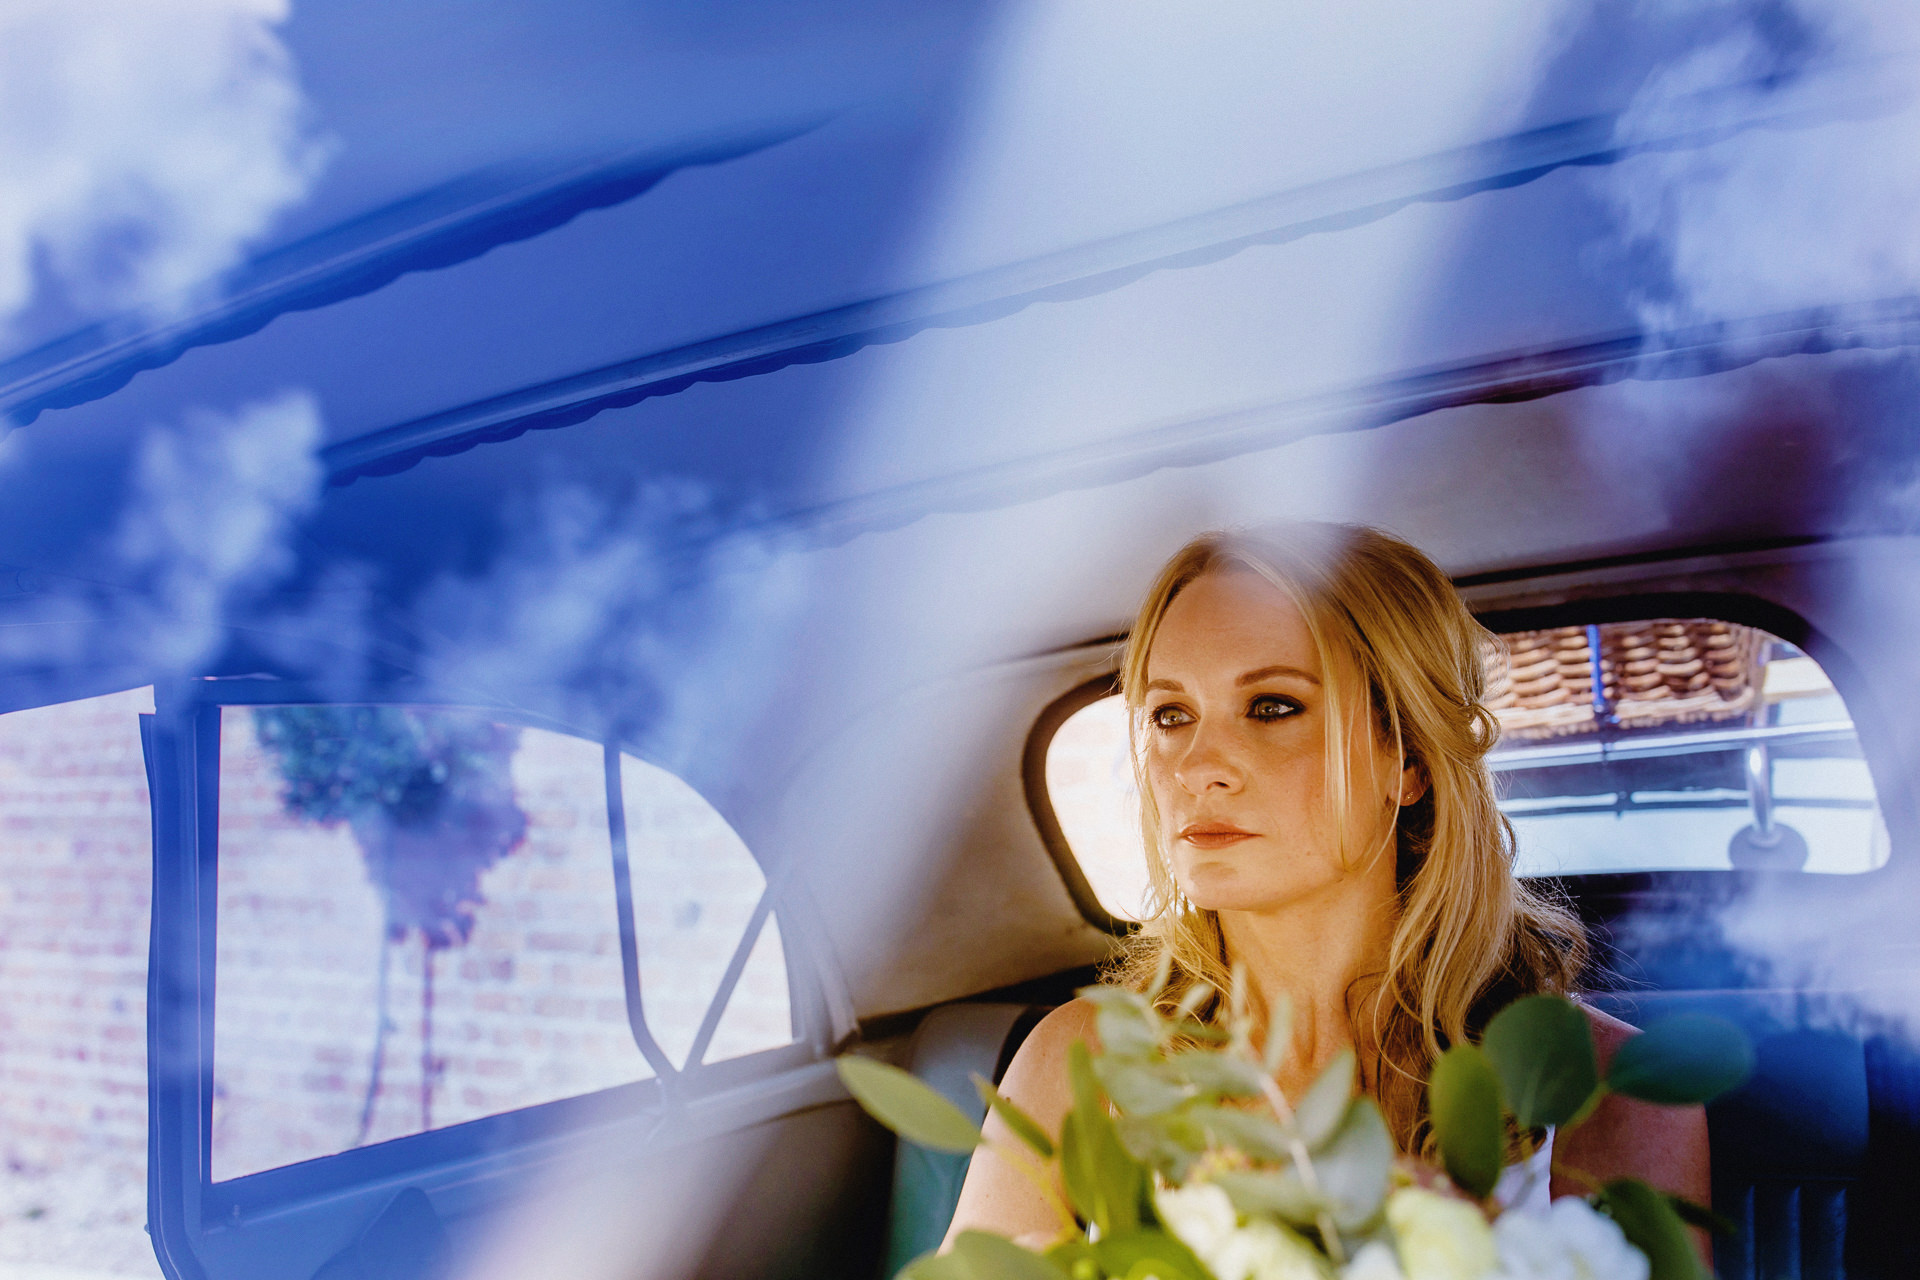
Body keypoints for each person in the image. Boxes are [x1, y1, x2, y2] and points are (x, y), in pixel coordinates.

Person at [945, 524, 1709, 1249]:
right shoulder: (1076, 1060)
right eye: (1171, 714)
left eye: (1272, 707)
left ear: (1407, 760)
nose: (1194, 767)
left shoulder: (1610, 1089)